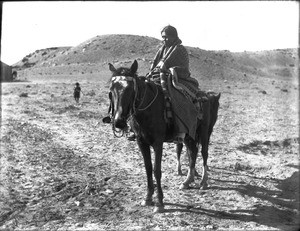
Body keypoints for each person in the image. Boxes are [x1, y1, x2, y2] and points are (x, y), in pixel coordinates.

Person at [128, 25, 202, 143]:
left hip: (176, 78)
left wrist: (170, 71)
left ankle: (180, 131)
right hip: (158, 76)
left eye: (167, 37)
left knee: (177, 96)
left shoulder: (180, 49)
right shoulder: (162, 49)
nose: (165, 40)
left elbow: (183, 68)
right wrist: (154, 73)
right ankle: (135, 128)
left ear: (174, 37)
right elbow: (155, 65)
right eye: (163, 37)